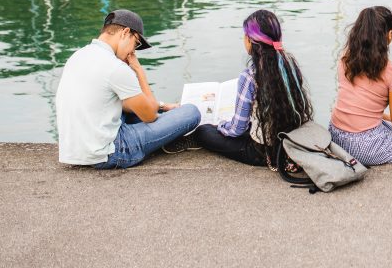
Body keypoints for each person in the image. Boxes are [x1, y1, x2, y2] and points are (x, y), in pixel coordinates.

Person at [55, 9, 201, 168]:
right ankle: (168, 140)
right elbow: (150, 116)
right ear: (125, 32)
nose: (133, 52)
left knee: (133, 108)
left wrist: (162, 106)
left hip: (76, 151)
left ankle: (166, 136)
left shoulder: (78, 56)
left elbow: (106, 102)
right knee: (191, 112)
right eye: (136, 43)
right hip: (111, 152)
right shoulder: (115, 67)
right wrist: (138, 70)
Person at [196, 10, 314, 167]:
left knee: (203, 132)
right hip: (291, 143)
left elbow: (237, 129)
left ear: (250, 41)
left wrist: (221, 126)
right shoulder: (290, 63)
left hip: (262, 150)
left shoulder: (250, 75)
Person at [328, 6, 392, 166]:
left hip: (336, 138)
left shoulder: (344, 59)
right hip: (366, 149)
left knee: (386, 122)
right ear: (390, 35)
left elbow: (363, 107)